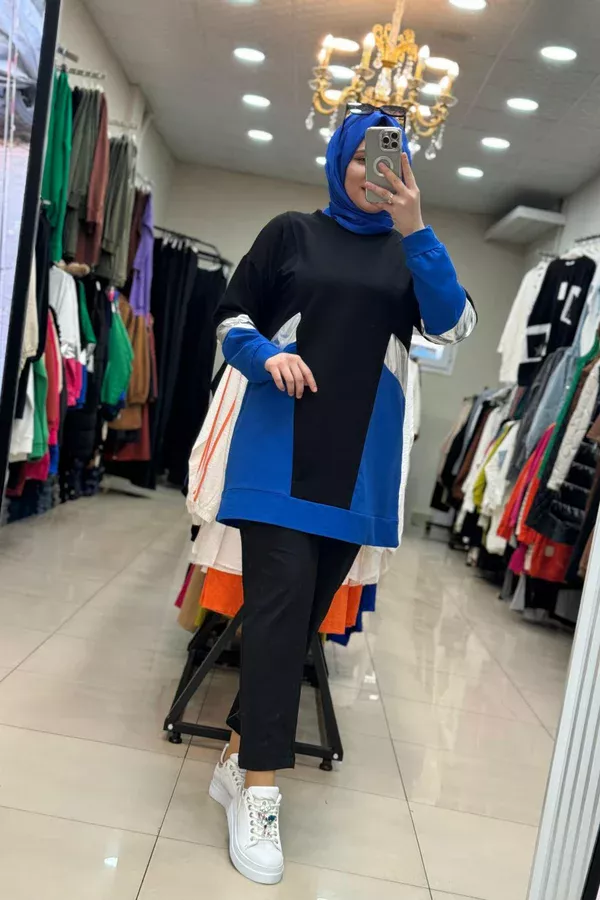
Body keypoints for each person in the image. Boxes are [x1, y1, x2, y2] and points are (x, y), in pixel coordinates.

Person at [207, 108, 476, 885]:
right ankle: (260, 793)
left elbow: (453, 327)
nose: (373, 173)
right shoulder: (289, 233)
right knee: (278, 616)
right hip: (277, 454)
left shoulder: (408, 253)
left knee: (297, 629)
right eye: (361, 158)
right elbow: (229, 319)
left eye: (388, 160)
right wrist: (265, 356)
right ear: (338, 161)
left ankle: (236, 756)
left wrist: (417, 227)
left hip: (358, 469)